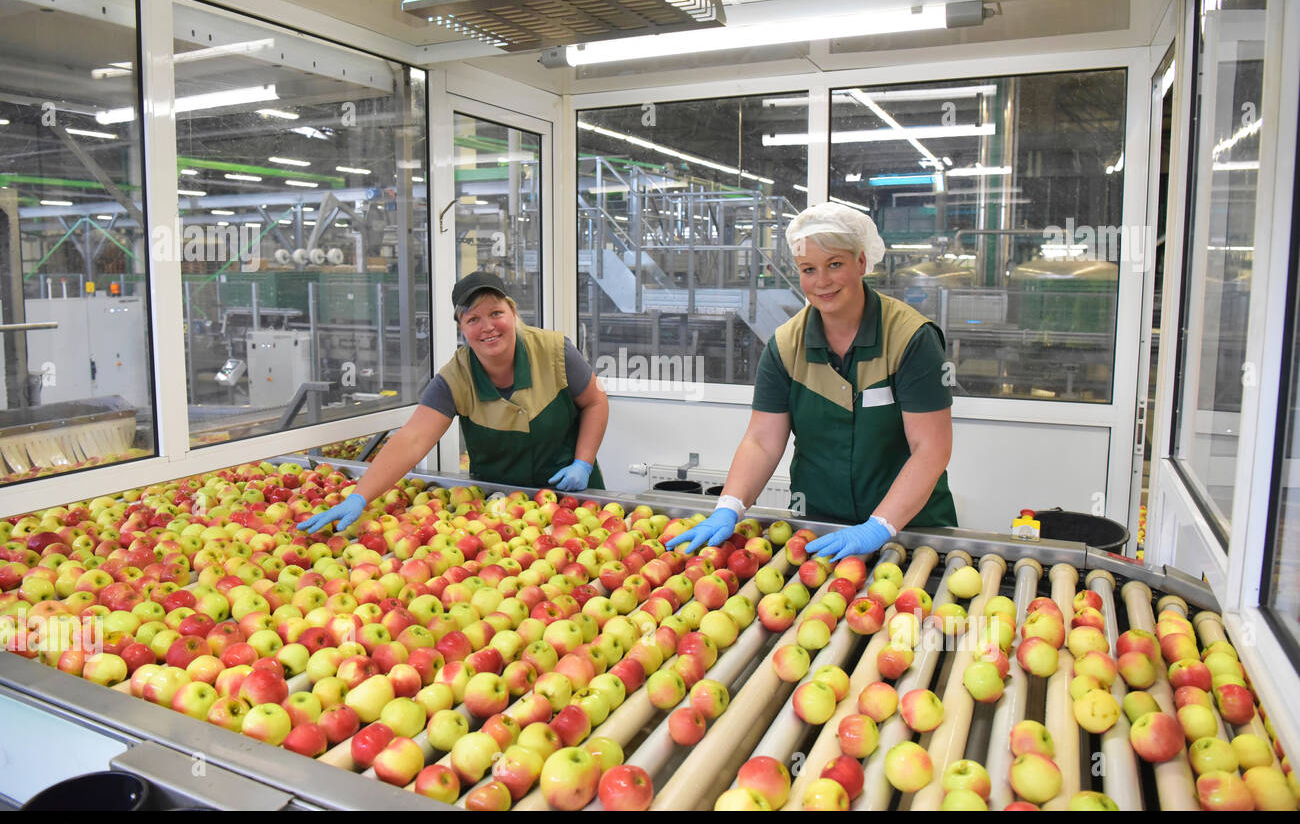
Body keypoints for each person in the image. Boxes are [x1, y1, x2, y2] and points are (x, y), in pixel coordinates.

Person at [670, 202, 956, 561]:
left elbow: (931, 448)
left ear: (861, 263)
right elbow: (762, 441)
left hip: (911, 532)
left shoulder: (910, 338)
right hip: (819, 531)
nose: (822, 282)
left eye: (835, 264)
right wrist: (729, 505)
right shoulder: (787, 346)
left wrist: (879, 526)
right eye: (809, 269)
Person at [297, 271, 609, 533]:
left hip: (572, 499)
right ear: (461, 328)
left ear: (513, 313)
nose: (487, 327)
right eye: (473, 319)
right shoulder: (455, 379)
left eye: (496, 313)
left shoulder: (554, 351)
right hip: (498, 509)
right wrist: (359, 497)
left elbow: (596, 402)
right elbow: (413, 439)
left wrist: (583, 462)